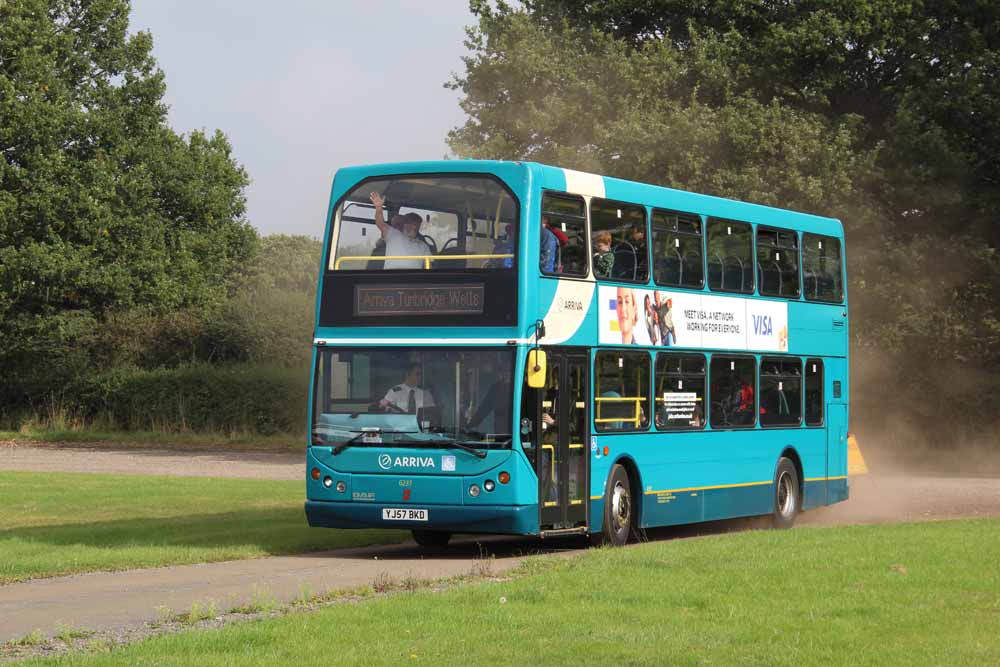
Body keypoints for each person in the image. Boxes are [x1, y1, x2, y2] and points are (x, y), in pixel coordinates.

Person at [368, 192, 431, 269]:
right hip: (392, 278)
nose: (413, 227)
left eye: (416, 225)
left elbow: (429, 266)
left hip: (414, 279)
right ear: (404, 224)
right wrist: (378, 208)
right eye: (410, 222)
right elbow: (380, 224)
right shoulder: (394, 235)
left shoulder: (423, 246)